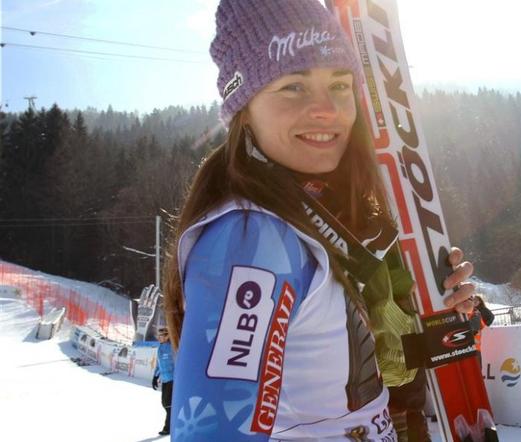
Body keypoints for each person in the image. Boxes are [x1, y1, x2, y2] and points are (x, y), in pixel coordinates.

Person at [161, 1, 478, 440]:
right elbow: (214, 429)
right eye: (293, 86)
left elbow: (345, 363)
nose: (327, 110)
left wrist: (434, 311)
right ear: (243, 106)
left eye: (340, 85)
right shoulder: (252, 240)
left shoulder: (325, 209)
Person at [152, 327, 174, 436]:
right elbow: (158, 363)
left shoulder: (172, 347)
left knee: (168, 404)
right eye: (158, 336)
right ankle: (172, 423)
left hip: (173, 379)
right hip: (165, 379)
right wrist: (155, 377)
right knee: (164, 403)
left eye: (161, 336)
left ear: (167, 336)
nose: (159, 338)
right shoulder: (160, 347)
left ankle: (168, 428)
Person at [469, 294, 495, 368]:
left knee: (476, 369)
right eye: (473, 300)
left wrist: (485, 324)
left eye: (475, 301)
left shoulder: (476, 312)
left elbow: (475, 329)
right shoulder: (472, 312)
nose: (474, 302)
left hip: (473, 347)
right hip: (469, 348)